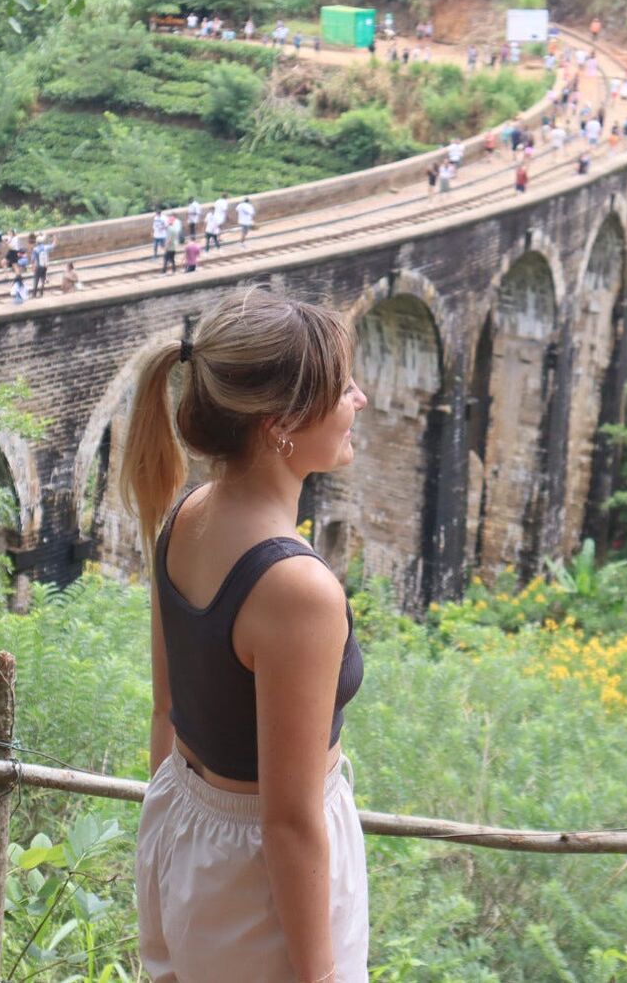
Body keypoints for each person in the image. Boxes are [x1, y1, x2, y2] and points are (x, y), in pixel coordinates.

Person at [125, 289, 369, 983]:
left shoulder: (186, 515)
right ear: (282, 423)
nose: (361, 399)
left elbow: (165, 714)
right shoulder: (297, 589)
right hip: (262, 884)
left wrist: (170, 863)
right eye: (343, 387)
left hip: (185, 826)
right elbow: (288, 821)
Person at [30, 232, 55, 298]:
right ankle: (41, 293)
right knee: (43, 279)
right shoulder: (46, 247)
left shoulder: (35, 249)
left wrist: (32, 266)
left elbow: (32, 259)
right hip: (44, 266)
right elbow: (53, 245)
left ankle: (34, 294)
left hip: (38, 266)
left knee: (36, 280)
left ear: (37, 242)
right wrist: (54, 238)